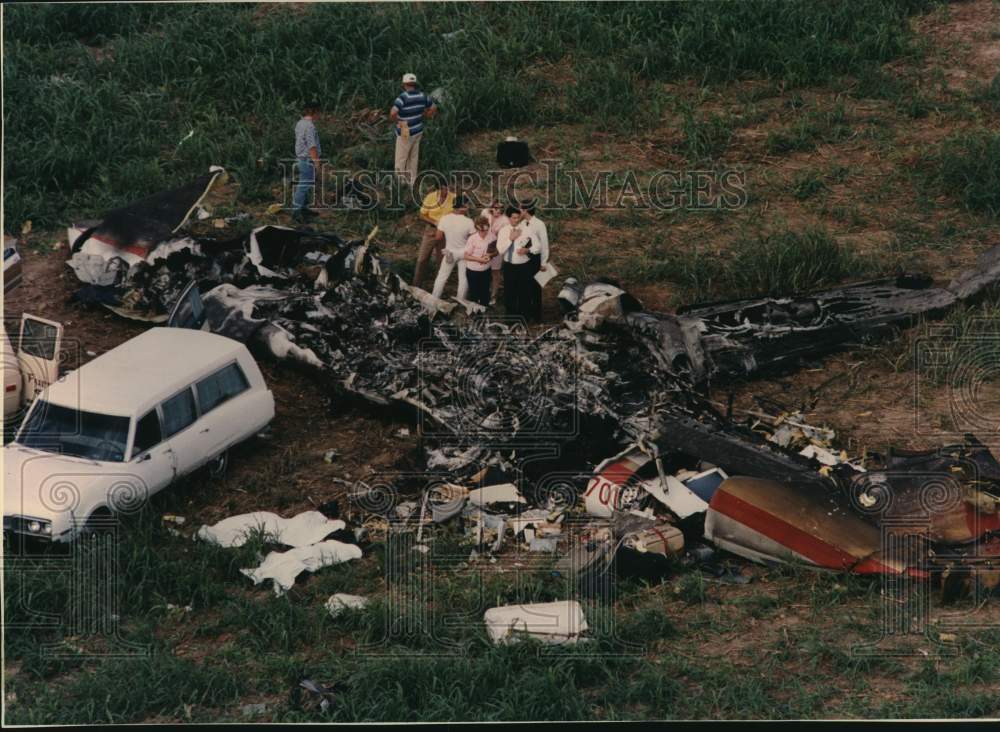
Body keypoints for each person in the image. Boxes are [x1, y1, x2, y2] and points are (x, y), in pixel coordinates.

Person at [389, 73, 437, 187]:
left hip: (405, 128)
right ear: (414, 84)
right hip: (418, 128)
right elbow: (434, 108)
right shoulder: (423, 96)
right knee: (413, 156)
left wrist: (397, 121)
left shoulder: (403, 97)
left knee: (401, 157)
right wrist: (426, 115)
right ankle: (412, 181)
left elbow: (393, 113)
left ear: (404, 84)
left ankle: (400, 183)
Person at [496, 207, 537, 319]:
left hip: (524, 266)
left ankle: (524, 317)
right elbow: (500, 250)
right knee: (510, 292)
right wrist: (510, 239)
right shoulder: (503, 231)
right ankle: (511, 319)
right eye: (514, 218)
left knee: (524, 292)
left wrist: (528, 250)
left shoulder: (527, 230)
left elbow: (537, 246)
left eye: (518, 217)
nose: (516, 220)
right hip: (509, 266)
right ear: (508, 218)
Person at [432, 194, 475, 300]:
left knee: (442, 276)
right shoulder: (469, 222)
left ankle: (434, 298)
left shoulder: (445, 219)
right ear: (463, 206)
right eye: (467, 205)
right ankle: (460, 300)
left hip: (450, 251)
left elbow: (438, 237)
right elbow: (473, 240)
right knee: (463, 278)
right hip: (464, 252)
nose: (468, 207)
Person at [414, 180, 455, 288]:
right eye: (443, 189)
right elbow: (422, 215)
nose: (446, 191)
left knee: (441, 261)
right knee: (422, 258)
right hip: (431, 230)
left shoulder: (453, 197)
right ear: (438, 189)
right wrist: (435, 222)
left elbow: (458, 213)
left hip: (446, 232)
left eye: (447, 188)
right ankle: (416, 285)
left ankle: (438, 287)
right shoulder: (430, 197)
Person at [519, 198, 550, 321]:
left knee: (536, 286)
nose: (519, 211)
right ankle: (526, 313)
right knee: (525, 286)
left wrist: (543, 262)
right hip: (523, 258)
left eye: (521, 208)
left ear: (525, 210)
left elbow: (544, 244)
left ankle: (537, 315)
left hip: (535, 258)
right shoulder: (522, 224)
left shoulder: (539, 224)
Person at [292, 100, 322, 222]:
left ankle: (304, 209)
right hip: (307, 160)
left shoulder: (300, 123)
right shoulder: (310, 126)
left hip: (301, 158)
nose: (320, 115)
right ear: (315, 111)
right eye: (319, 112)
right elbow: (312, 146)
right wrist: (317, 162)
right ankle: (296, 212)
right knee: (303, 186)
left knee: (305, 185)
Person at [480, 200, 509, 305]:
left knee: (495, 272)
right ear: (491, 207)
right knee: (483, 269)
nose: (498, 210)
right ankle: (483, 293)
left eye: (501, 209)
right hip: (482, 245)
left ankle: (494, 295)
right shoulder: (485, 213)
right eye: (496, 208)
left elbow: (503, 237)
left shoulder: (505, 220)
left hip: (496, 247)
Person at [463, 217, 494, 307]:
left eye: (486, 230)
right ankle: (474, 311)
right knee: (474, 293)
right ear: (477, 229)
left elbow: (496, 251)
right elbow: (466, 256)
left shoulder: (492, 236)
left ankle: (484, 308)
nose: (484, 233)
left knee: (485, 291)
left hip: (486, 270)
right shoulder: (472, 239)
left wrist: (490, 255)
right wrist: (479, 259)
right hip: (473, 271)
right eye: (481, 231)